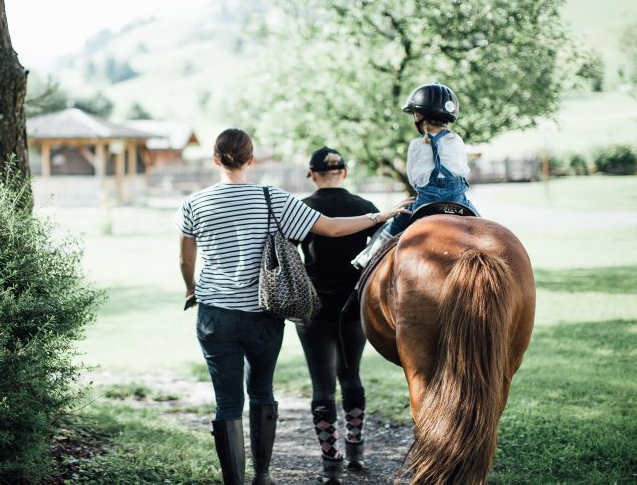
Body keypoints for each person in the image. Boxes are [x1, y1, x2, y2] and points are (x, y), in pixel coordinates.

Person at [174, 129, 410, 485]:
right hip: (264, 315)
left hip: (214, 315)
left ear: (216, 160)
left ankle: (234, 481)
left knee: (227, 402)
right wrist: (380, 217)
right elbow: (330, 228)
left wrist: (192, 288)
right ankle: (264, 476)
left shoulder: (194, 204)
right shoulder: (273, 199)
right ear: (251, 160)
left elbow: (184, 258)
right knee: (262, 392)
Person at [296, 147, 402, 484]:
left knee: (322, 386)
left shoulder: (301, 209)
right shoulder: (367, 210)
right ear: (344, 172)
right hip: (354, 308)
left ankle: (330, 463)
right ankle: (355, 448)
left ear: (312, 175)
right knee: (350, 374)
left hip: (312, 309)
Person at [352, 83, 478, 269]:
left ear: (418, 116)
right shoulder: (457, 140)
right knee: (482, 226)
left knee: (394, 227)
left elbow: (413, 178)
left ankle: (368, 256)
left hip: (426, 201)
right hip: (457, 200)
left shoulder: (416, 145)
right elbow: (463, 169)